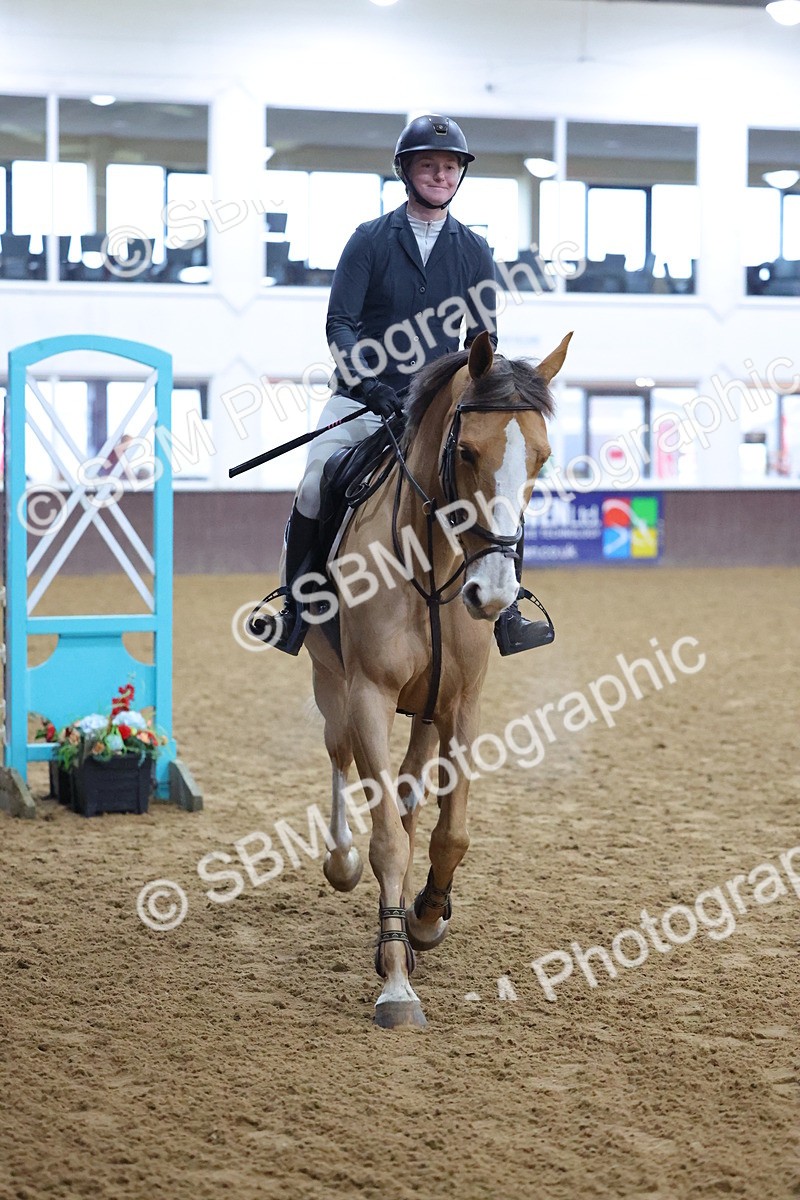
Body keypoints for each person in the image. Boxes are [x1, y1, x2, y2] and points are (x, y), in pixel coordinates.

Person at [259, 113, 553, 657]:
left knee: (498, 484)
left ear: (459, 175)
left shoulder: (474, 251)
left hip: (436, 413)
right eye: (428, 165)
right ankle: (297, 610)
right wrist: (369, 385)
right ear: (406, 171)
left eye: (449, 167)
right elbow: (340, 324)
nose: (440, 175)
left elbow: (481, 340)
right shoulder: (368, 240)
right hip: (363, 401)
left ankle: (508, 611)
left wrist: (469, 397)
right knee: (315, 483)